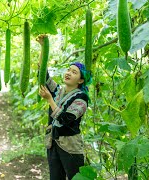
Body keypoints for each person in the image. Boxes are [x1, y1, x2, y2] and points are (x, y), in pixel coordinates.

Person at [36, 34, 92, 180]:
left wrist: (49, 99)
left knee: (75, 178)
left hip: (71, 147)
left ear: (80, 80)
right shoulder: (59, 90)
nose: (68, 73)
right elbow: (43, 74)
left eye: (74, 72)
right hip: (53, 143)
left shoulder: (82, 98)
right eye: (68, 70)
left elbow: (66, 118)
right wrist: (43, 47)